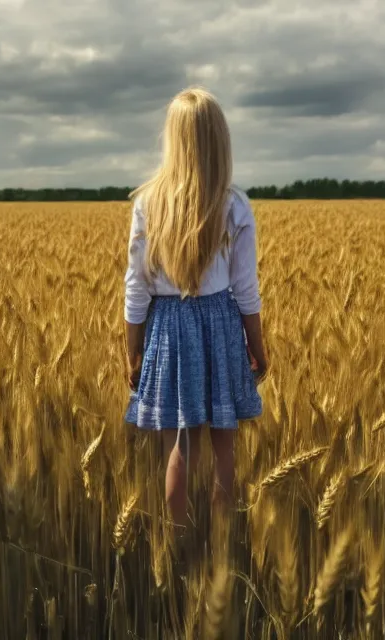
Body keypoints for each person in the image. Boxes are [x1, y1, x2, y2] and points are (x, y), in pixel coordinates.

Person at [122, 87, 268, 534]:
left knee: (179, 443)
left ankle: (178, 547)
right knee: (224, 449)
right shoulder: (235, 204)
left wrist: (133, 350)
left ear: (173, 140)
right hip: (222, 324)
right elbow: (246, 289)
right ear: (219, 141)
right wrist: (258, 346)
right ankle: (222, 547)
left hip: (168, 327)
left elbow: (136, 287)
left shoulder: (149, 202)